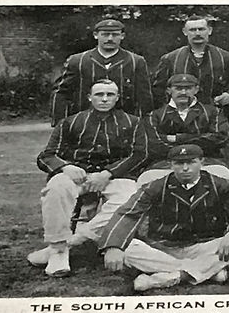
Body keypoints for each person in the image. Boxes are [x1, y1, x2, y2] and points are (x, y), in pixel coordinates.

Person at [99, 144, 229, 291]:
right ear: (170, 165)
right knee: (128, 249)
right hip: (162, 248)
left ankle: (170, 276)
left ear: (202, 162)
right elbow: (128, 213)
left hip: (204, 246)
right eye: (179, 163)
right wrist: (114, 246)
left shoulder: (221, 185)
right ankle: (203, 272)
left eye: (191, 162)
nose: (185, 168)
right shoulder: (155, 187)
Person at [28, 80, 146, 276]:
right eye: (99, 94)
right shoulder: (70, 122)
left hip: (114, 177)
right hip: (77, 175)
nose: (104, 99)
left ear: (117, 98)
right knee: (56, 189)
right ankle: (58, 252)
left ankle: (73, 241)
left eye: (110, 94)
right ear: (89, 97)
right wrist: (66, 167)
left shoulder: (133, 122)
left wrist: (108, 173)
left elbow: (139, 154)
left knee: (130, 197)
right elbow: (47, 155)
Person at [51, 18, 154, 125]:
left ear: (122, 36)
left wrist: (143, 125)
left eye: (115, 35)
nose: (110, 38)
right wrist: (61, 124)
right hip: (85, 124)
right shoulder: (78, 61)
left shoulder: (135, 61)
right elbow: (61, 93)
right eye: (105, 34)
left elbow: (144, 97)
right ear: (96, 35)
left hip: (124, 125)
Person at [136, 73, 229, 186]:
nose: (183, 92)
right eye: (178, 88)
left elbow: (220, 138)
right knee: (146, 181)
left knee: (223, 178)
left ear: (196, 89)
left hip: (207, 162)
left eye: (188, 88)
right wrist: (199, 139)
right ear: (169, 90)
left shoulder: (213, 112)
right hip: (165, 164)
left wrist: (177, 138)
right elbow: (154, 145)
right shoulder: (155, 115)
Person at [151, 15, 229, 129]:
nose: (197, 33)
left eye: (201, 29)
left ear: (209, 30)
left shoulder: (226, 58)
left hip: (218, 119)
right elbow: (158, 89)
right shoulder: (170, 59)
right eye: (192, 30)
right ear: (185, 32)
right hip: (179, 121)